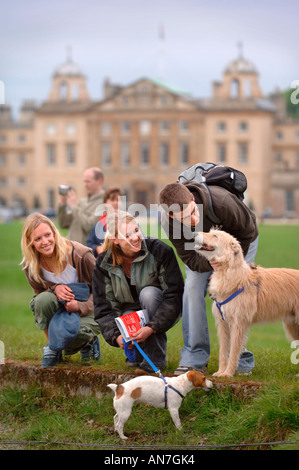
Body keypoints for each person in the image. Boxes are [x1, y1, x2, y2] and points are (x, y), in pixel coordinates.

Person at [159, 180, 259, 376]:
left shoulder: (222, 203)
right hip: (202, 251)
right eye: (186, 217)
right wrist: (210, 265)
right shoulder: (168, 222)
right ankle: (194, 356)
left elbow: (248, 231)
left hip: (239, 242)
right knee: (192, 288)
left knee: (235, 294)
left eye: (194, 210)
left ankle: (238, 358)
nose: (194, 219)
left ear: (193, 199)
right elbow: (189, 257)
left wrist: (229, 263)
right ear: (172, 216)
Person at [92, 211, 184, 374]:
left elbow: (174, 296)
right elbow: (103, 307)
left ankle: (156, 358)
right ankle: (138, 353)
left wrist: (151, 327)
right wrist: (116, 336)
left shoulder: (160, 250)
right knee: (128, 313)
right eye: (127, 235)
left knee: (148, 294)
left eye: (136, 230)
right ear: (115, 240)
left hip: (160, 308)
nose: (135, 237)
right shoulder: (104, 262)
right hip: (128, 313)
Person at [21, 212, 101, 367]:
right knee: (42, 300)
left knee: (71, 337)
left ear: (54, 232)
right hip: (61, 307)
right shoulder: (30, 265)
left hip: (91, 307)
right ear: (30, 242)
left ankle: (89, 342)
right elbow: (40, 297)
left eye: (47, 235)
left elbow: (104, 291)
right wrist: (55, 288)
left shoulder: (81, 254)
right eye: (37, 239)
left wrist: (81, 306)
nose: (45, 242)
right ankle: (52, 347)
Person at [57, 167, 104, 245]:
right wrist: (63, 203)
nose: (85, 185)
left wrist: (74, 207)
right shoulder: (81, 202)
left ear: (99, 181)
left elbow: (89, 227)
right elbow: (63, 224)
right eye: (84, 181)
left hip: (85, 253)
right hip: (69, 249)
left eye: (88, 181)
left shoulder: (104, 204)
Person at [86, 187, 124, 257]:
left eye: (118, 200)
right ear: (105, 203)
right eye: (112, 200)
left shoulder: (129, 222)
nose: (116, 203)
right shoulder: (98, 225)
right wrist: (96, 248)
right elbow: (89, 243)